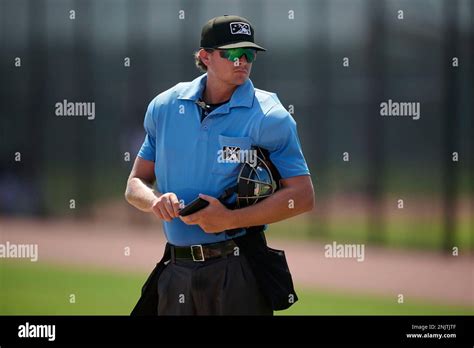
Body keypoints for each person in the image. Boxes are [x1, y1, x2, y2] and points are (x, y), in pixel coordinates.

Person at [125, 15, 315, 315]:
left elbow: (303, 197)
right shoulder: (164, 107)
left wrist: (228, 220)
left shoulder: (270, 116)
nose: (242, 61)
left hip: (237, 270)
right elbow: (135, 183)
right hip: (176, 269)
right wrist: (154, 202)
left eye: (248, 54)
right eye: (231, 54)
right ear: (205, 57)